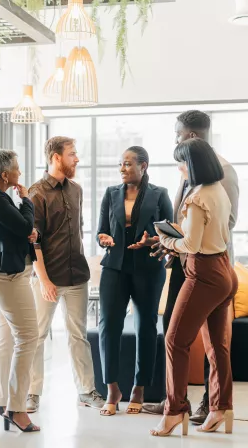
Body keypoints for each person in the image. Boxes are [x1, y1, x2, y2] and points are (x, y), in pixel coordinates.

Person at [143, 110, 239, 424]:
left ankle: (179, 409)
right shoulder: (204, 181)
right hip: (207, 265)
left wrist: (172, 241)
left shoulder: (216, 179)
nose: (175, 140)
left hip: (203, 265)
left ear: (192, 139)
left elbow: (214, 229)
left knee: (176, 340)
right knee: (212, 343)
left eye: (178, 135)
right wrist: (173, 238)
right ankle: (218, 407)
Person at [27, 136, 104, 412]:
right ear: (56, 157)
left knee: (78, 335)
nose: (77, 158)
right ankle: (32, 393)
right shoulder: (36, 193)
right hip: (48, 278)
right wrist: (44, 280)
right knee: (37, 335)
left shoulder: (77, 190)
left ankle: (86, 390)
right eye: (72, 154)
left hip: (77, 277)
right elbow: (32, 241)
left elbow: (77, 233)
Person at [97, 146, 173, 416]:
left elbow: (171, 234)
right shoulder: (110, 193)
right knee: (108, 326)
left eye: (128, 164)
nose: (122, 168)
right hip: (114, 268)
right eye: (120, 164)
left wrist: (152, 240)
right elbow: (101, 231)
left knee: (146, 327)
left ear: (144, 166)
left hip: (148, 268)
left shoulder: (159, 194)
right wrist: (103, 238)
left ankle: (139, 387)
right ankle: (112, 388)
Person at [0, 150, 40, 433]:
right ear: (5, 175)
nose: (19, 173)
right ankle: (16, 408)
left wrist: (29, 231)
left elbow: (21, 230)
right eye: (17, 169)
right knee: (28, 337)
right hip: (8, 277)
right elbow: (25, 225)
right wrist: (27, 199)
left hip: (6, 274)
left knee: (7, 338)